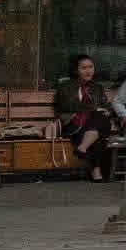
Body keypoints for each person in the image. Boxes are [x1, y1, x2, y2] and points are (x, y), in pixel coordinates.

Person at [50, 54, 118, 183]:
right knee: (98, 129)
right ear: (76, 70)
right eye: (84, 68)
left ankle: (82, 148)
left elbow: (105, 105)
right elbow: (68, 105)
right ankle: (96, 170)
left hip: (94, 124)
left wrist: (108, 111)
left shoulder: (97, 87)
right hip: (74, 123)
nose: (88, 71)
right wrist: (94, 109)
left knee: (100, 118)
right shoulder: (65, 86)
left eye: (91, 67)